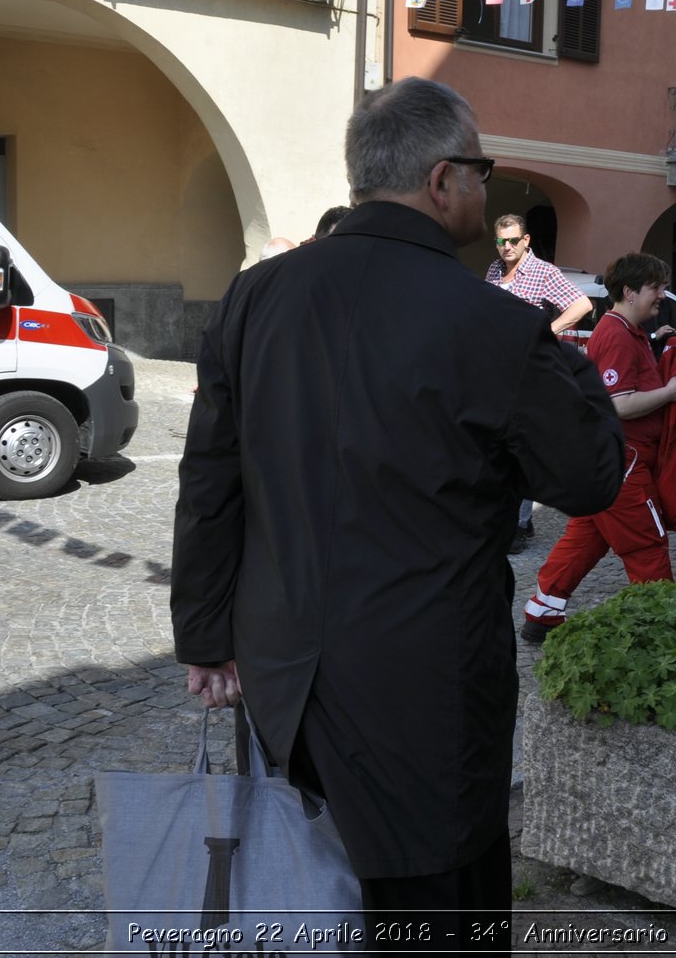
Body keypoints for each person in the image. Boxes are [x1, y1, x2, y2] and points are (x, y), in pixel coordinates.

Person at [170, 77, 624, 946]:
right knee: (434, 905)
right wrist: (564, 358)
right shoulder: (489, 322)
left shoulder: (253, 297)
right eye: (483, 172)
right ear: (444, 179)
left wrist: (204, 635)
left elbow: (210, 480)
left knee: (308, 883)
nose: (488, 193)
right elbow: (591, 476)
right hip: (426, 686)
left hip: (283, 673)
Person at [520, 253, 676, 642]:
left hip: (616, 458)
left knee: (587, 537)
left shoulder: (627, 331)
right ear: (629, 292)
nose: (662, 295)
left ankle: (542, 611)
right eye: (656, 287)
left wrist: (656, 347)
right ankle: (665, 631)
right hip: (625, 461)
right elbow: (619, 403)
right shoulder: (615, 333)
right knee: (647, 542)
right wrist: (669, 392)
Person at [485, 213, 596, 553]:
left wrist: (543, 333)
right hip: (495, 369)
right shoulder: (493, 270)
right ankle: (519, 517)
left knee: (521, 445)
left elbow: (582, 304)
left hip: (528, 371)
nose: (507, 247)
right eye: (501, 241)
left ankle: (518, 524)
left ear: (526, 240)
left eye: (513, 241)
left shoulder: (544, 271)